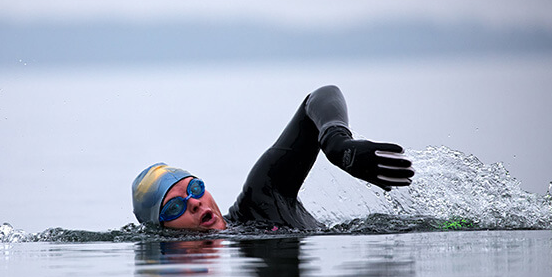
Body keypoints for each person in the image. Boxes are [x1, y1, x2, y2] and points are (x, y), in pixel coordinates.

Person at [130, 85, 415, 231]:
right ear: (160, 231)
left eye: (194, 189)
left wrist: (336, 140)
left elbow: (320, 95)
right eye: (174, 207)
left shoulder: (261, 198)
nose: (194, 203)